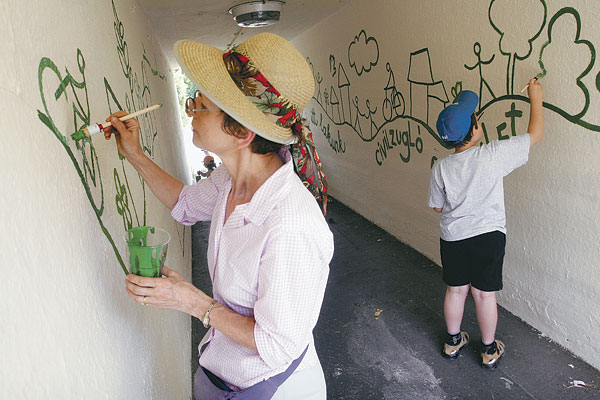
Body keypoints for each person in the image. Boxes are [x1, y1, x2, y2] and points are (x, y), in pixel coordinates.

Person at [103, 33, 333, 399]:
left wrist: (191, 301)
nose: (189, 110)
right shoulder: (230, 179)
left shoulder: (291, 225)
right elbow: (185, 204)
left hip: (269, 389)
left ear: (241, 131)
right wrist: (133, 152)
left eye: (201, 106)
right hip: (220, 372)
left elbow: (276, 345)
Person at [428, 79, 543, 369]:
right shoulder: (492, 155)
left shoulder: (440, 167)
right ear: (475, 129)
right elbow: (536, 134)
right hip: (488, 237)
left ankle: (453, 342)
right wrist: (536, 97)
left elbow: (437, 206)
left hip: (453, 237)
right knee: (484, 294)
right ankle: (489, 349)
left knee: (456, 290)